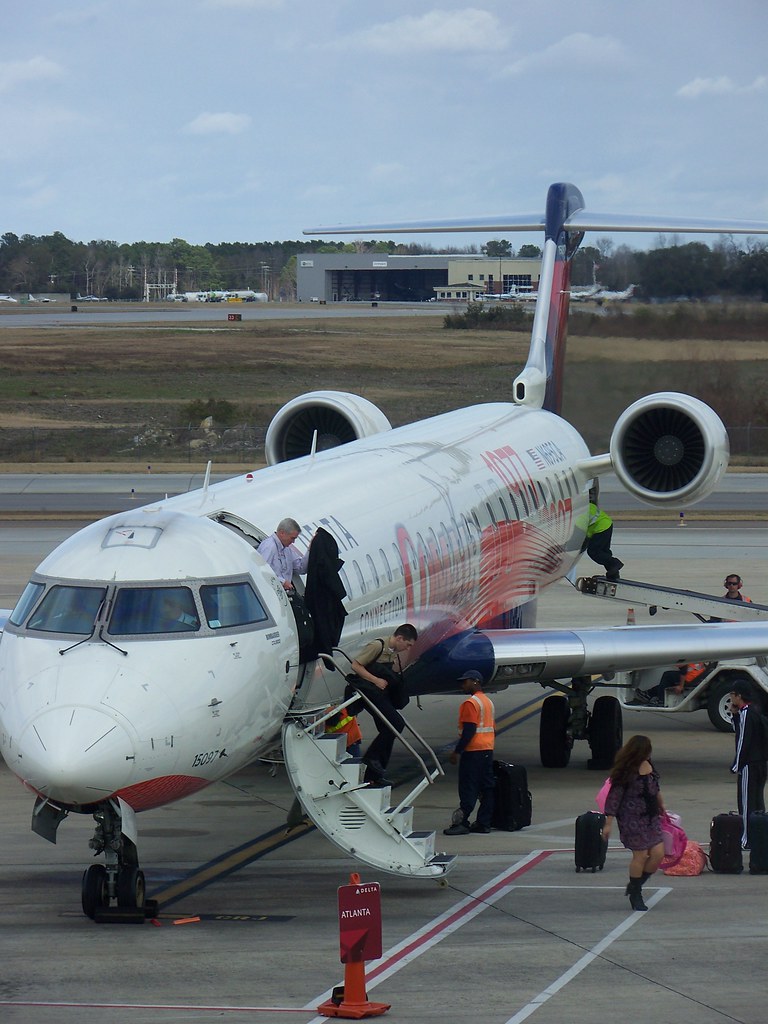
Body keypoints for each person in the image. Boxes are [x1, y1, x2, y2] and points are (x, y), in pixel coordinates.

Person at [602, 735, 666, 911]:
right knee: (641, 854)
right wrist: (608, 823)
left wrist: (662, 806)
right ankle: (636, 894)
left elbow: (655, 789)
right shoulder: (626, 772)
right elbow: (613, 799)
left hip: (651, 817)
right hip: (632, 818)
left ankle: (635, 884)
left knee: (658, 854)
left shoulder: (650, 766)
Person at [349, 624, 418, 785]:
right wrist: (376, 680)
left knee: (389, 730)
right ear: (400, 638)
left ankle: (375, 775)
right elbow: (356, 665)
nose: (407, 648)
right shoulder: (377, 646)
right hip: (370, 692)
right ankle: (370, 759)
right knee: (396, 724)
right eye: (407, 644)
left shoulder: (392, 653)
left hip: (380, 694)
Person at [443, 670, 496, 836]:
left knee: (468, 787)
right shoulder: (487, 702)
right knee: (487, 787)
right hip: (487, 749)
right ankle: (483, 823)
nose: (462, 685)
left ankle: (463, 822)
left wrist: (457, 752)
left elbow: (469, 730)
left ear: (475, 681)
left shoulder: (471, 703)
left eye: (465, 681)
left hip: (473, 751)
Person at [730, 680, 767, 849]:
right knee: (758, 802)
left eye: (733, 694)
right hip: (760, 764)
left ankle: (746, 839)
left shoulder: (746, 714)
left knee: (746, 804)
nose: (731, 698)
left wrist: (737, 765)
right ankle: (760, 836)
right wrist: (735, 716)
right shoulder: (755, 711)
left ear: (739, 695)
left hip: (749, 765)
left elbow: (743, 740)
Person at [257, 518, 309, 591]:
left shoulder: (287, 548)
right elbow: (261, 572)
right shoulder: (269, 547)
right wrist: (282, 582)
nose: (293, 542)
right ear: (282, 533)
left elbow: (301, 568)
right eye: (292, 538)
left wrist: (310, 550)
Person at [630, 661, 710, 707]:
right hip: (697, 676)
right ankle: (648, 694)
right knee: (665, 684)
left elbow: (683, 669)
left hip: (690, 678)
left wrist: (681, 686)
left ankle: (661, 700)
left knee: (667, 675)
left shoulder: (683, 654)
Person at [584, 490, 623, 581]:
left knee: (594, 552)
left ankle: (615, 563)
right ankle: (613, 573)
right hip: (606, 524)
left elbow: (580, 533)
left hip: (601, 528)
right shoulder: (586, 507)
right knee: (604, 552)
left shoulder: (580, 512)